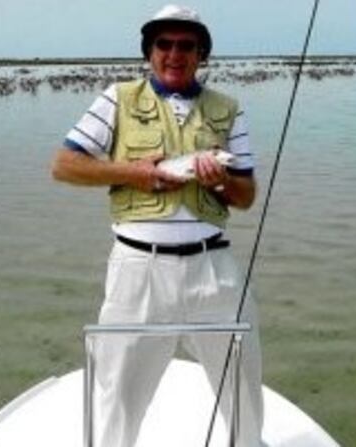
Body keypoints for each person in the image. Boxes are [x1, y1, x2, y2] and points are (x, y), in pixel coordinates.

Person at [51, 4, 264, 446]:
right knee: (119, 395)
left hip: (214, 268)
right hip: (137, 269)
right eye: (163, 44)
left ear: (202, 55)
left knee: (242, 385)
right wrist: (137, 173)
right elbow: (65, 166)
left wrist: (222, 181)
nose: (174, 53)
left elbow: (245, 197)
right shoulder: (118, 98)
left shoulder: (228, 109)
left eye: (187, 46)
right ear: (149, 52)